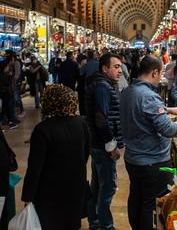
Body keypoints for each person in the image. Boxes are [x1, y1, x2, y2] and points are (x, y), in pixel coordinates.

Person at [120, 55, 177, 230]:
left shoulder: (128, 91)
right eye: (160, 73)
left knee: (136, 196)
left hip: (133, 159)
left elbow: (141, 110)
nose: (161, 77)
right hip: (152, 162)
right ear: (154, 72)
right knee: (150, 203)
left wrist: (168, 109)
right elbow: (168, 129)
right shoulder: (149, 97)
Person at [22, 84, 90, 230]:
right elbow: (85, 154)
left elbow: (35, 167)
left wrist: (28, 196)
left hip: (49, 189)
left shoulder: (43, 129)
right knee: (71, 222)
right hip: (75, 184)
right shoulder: (81, 123)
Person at [85, 53, 123, 230]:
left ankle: (95, 222)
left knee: (98, 186)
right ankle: (105, 225)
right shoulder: (102, 86)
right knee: (107, 188)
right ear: (104, 68)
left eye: (120, 67)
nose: (120, 70)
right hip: (103, 146)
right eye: (116, 67)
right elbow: (101, 118)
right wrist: (111, 145)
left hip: (97, 144)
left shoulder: (102, 84)